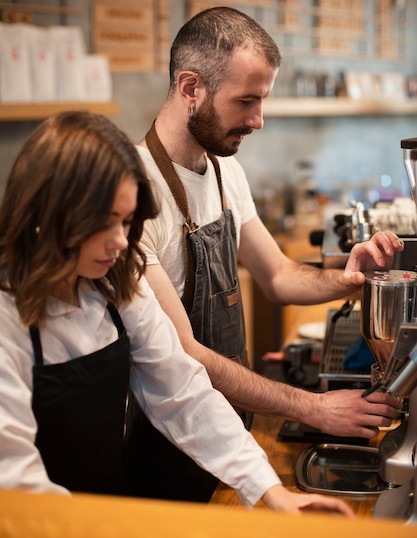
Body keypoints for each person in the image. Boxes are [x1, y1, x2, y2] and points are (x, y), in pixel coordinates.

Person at [0, 110, 355, 517]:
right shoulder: (6, 315)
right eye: (104, 223)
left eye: (127, 222)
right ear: (50, 213)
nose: (120, 242)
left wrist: (268, 490)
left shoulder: (118, 282)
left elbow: (182, 392)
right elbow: (13, 474)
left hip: (108, 510)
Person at [131, 6, 404, 502]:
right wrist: (313, 407)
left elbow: (277, 275)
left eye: (263, 100)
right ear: (191, 87)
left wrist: (346, 277)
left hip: (234, 432)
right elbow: (184, 355)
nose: (258, 120)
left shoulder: (223, 169)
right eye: (246, 101)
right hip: (167, 450)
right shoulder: (132, 194)